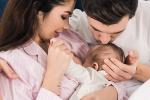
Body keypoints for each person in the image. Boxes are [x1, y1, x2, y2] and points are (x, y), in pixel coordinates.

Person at [68, 0, 150, 99]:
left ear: (131, 16)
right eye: (95, 29)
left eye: (116, 32)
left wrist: (137, 71)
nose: (104, 41)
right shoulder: (75, 23)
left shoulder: (147, 15)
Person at [0, 0, 76, 100]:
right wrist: (53, 78)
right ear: (37, 11)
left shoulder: (67, 38)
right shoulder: (12, 63)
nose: (67, 25)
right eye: (64, 17)